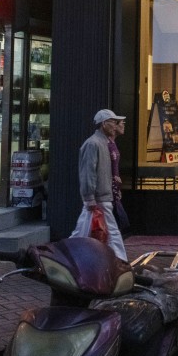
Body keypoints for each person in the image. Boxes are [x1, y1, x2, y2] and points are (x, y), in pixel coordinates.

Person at [70, 109, 127, 261]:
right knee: (111, 231)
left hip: (101, 196)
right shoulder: (94, 144)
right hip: (100, 196)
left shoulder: (101, 143)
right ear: (104, 124)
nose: (116, 125)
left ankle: (69, 254)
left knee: (82, 230)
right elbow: (88, 172)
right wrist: (89, 197)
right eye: (113, 122)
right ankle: (121, 261)